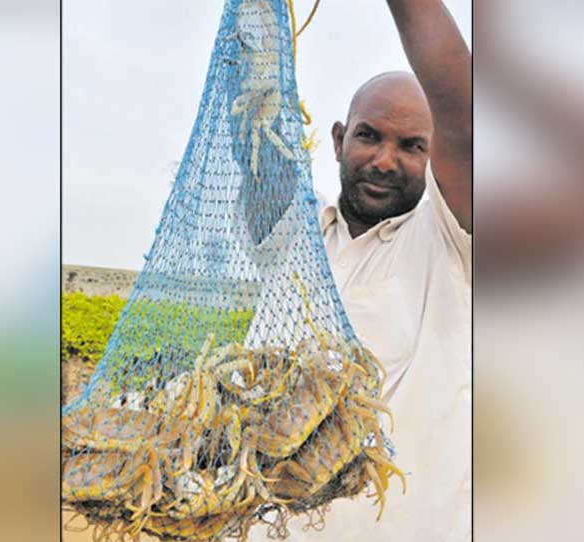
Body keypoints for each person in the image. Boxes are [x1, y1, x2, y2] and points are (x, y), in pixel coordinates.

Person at [251, 1, 472, 541]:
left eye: (412, 146)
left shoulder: (452, 243)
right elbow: (253, 142)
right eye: (370, 135)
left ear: (438, 155)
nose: (384, 160)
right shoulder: (298, 236)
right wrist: (252, 35)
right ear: (337, 140)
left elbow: (463, 109)